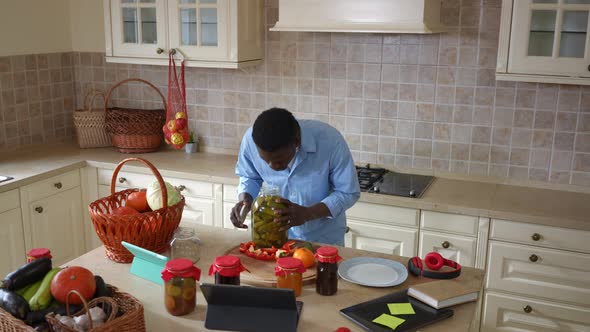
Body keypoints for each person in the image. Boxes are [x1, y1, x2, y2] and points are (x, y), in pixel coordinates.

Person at [231, 107, 360, 246]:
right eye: (265, 160)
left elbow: (348, 192)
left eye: (279, 161)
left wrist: (307, 213)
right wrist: (245, 199)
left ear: (297, 141)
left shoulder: (330, 141)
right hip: (274, 237)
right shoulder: (251, 140)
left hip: (323, 240)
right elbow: (249, 176)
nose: (272, 167)